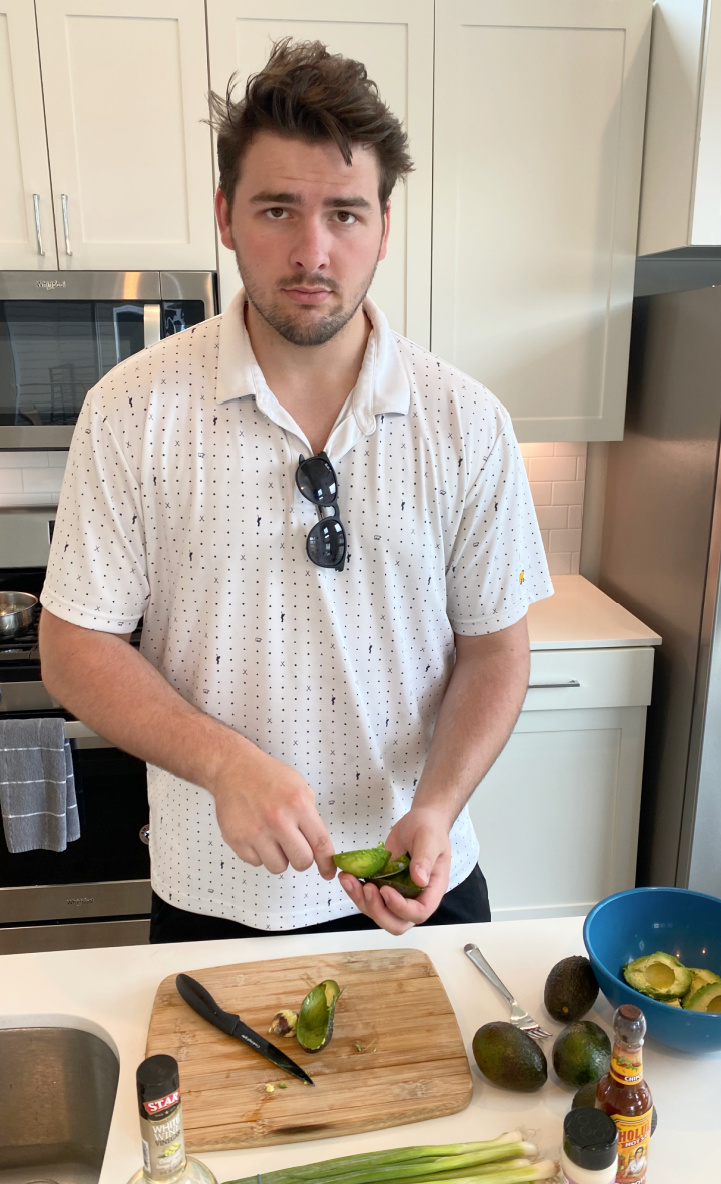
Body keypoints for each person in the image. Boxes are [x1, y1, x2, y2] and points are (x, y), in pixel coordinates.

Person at [38, 38, 552, 942]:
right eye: (278, 209)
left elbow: (496, 654)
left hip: (420, 882)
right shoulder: (128, 411)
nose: (313, 252)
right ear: (227, 217)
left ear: (384, 229)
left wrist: (436, 808)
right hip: (216, 892)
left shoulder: (468, 422)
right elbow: (75, 648)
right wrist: (223, 762)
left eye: (346, 214)